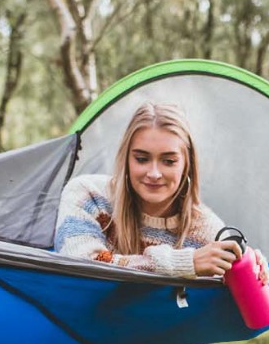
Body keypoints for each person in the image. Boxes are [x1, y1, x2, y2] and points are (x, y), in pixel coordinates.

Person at [54, 102, 240, 279]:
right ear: (126, 159)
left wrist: (250, 268)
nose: (154, 173)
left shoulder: (208, 231)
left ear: (187, 165)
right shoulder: (87, 195)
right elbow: (82, 266)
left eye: (168, 161)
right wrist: (184, 263)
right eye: (142, 159)